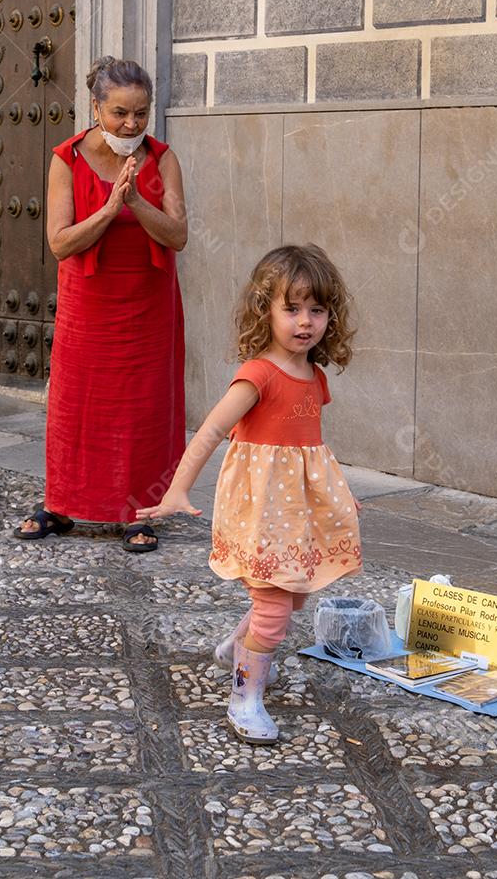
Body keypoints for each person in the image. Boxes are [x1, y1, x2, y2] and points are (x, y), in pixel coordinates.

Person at [138, 244, 362, 743]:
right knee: (275, 608)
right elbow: (211, 432)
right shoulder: (258, 375)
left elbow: (312, 452)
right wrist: (176, 489)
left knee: (290, 596)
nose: (306, 322)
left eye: (317, 310)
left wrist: (338, 498)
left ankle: (232, 651)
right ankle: (245, 696)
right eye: (292, 308)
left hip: (296, 511)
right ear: (266, 310)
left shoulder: (315, 378)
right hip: (262, 512)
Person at [14, 56, 187, 552]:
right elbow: (60, 242)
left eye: (141, 113)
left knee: (143, 408)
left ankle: (141, 511)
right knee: (77, 405)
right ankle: (61, 504)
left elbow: (178, 235)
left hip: (148, 306)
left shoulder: (164, 158)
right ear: (95, 107)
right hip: (88, 306)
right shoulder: (65, 159)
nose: (131, 124)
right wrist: (110, 209)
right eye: (119, 113)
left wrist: (136, 203)